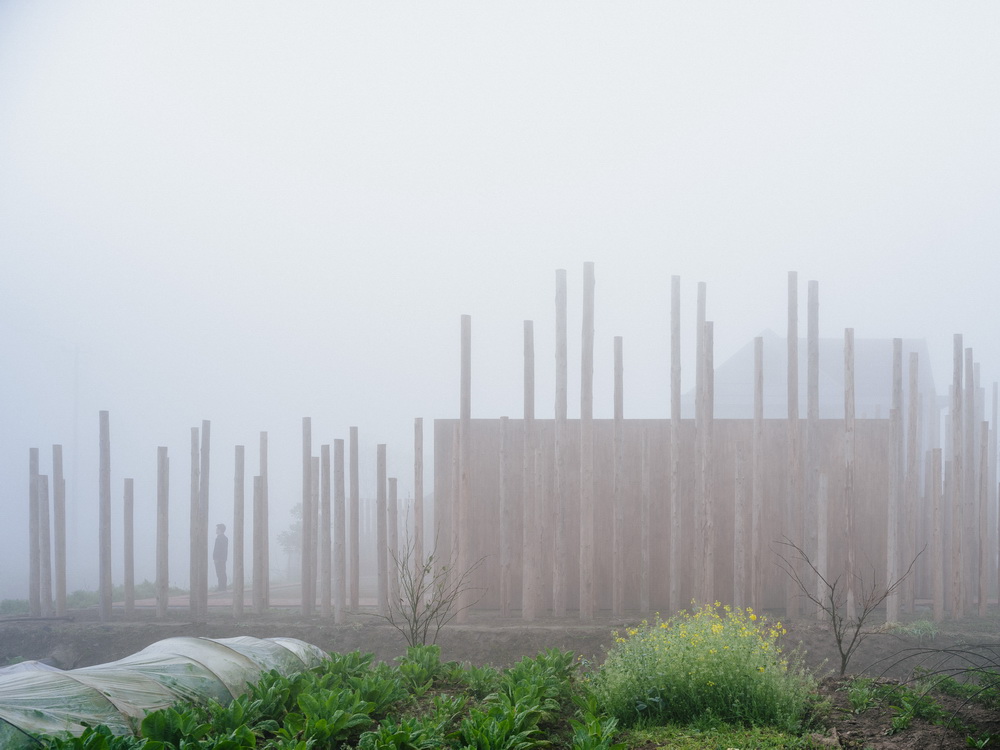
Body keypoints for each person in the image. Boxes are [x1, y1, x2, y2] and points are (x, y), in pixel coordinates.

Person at [214, 523, 229, 591]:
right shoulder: (225, 538)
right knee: (223, 572)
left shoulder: (219, 538)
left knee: (219, 573)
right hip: (223, 559)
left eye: (217, 529)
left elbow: (217, 549)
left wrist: (216, 558)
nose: (216, 530)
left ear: (220, 530)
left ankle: (221, 587)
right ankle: (223, 587)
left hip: (218, 559)